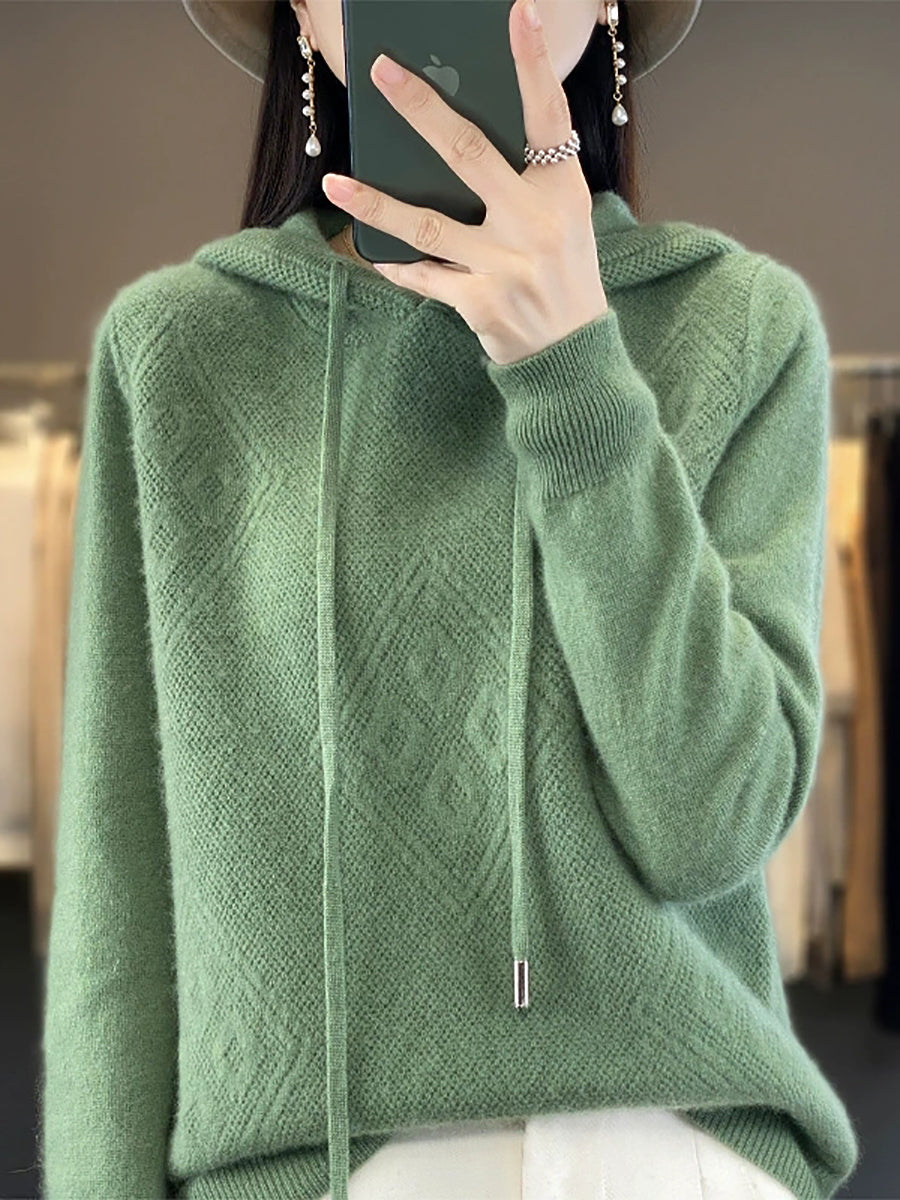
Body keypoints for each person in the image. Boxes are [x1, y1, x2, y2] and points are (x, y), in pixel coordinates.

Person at [38, 0, 860, 1198]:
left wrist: (572, 365)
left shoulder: (737, 323)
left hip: (669, 1149)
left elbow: (713, 825)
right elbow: (120, 895)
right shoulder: (180, 351)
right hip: (312, 1170)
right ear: (302, 15)